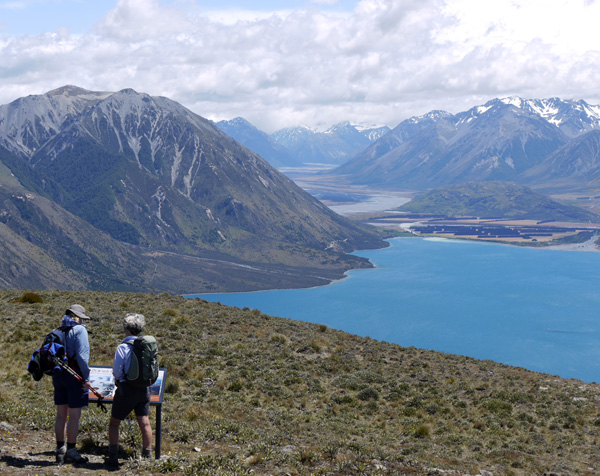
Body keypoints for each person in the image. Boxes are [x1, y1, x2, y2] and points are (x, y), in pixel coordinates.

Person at [107, 313, 153, 466]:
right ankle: (147, 456)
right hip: (144, 389)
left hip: (126, 389)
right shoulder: (146, 346)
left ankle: (113, 457)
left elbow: (117, 372)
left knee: (114, 423)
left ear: (126, 328)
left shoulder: (123, 347)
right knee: (144, 422)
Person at [53, 304, 93, 464]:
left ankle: (59, 449)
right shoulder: (80, 330)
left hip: (58, 375)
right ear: (79, 317)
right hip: (75, 377)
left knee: (61, 415)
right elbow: (82, 357)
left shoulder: (59, 329)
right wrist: (87, 378)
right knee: (74, 416)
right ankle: (71, 450)